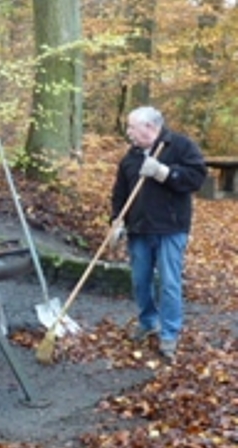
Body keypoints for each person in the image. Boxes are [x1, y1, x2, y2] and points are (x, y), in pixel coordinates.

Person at [110, 106, 207, 360]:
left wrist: (165, 172)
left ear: (150, 127)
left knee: (170, 283)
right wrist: (116, 221)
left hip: (171, 228)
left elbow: (197, 178)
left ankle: (169, 334)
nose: (129, 132)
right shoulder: (130, 157)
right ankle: (148, 321)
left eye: (132, 127)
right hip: (139, 229)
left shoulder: (180, 146)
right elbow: (120, 193)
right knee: (140, 281)